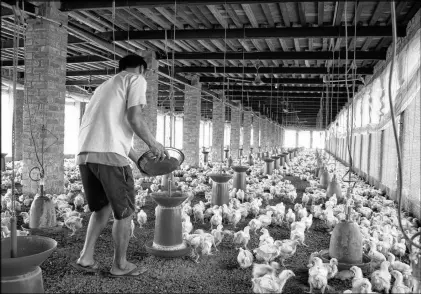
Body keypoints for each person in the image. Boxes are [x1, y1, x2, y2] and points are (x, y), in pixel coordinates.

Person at [72, 54, 169, 277]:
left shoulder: (104, 87)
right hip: (109, 155)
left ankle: (86, 257)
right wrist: (154, 144)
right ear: (142, 69)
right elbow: (135, 119)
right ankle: (120, 265)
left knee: (102, 207)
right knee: (124, 212)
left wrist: (139, 160)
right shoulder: (135, 79)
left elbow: (113, 132)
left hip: (86, 154)